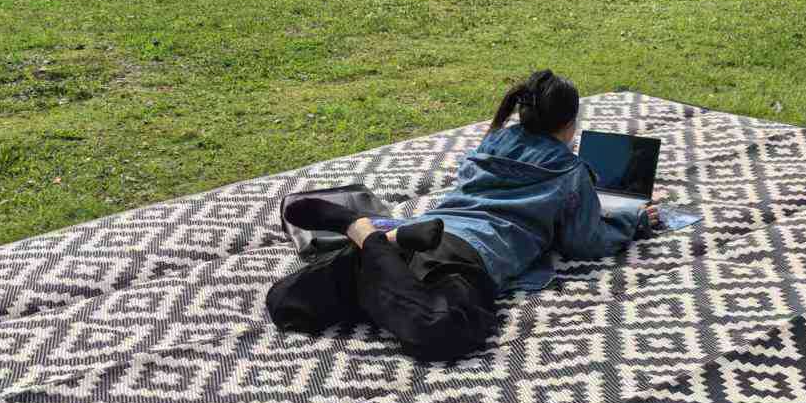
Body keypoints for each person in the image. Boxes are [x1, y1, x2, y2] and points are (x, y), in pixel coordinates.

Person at [275, 70, 660, 362]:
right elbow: (585, 242)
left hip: (420, 233)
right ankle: (365, 233)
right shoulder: (571, 173)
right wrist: (633, 221)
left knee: (288, 303)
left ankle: (370, 245)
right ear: (569, 125)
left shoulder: (494, 140)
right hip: (469, 256)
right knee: (443, 333)